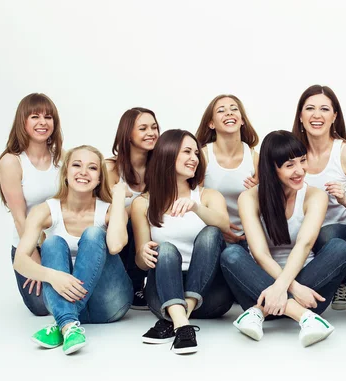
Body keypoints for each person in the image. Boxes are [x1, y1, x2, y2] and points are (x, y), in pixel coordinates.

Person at [220, 131, 346, 347]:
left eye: (302, 161)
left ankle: (258, 313)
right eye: (290, 165)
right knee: (231, 255)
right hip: (261, 287)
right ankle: (305, 318)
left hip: (307, 289)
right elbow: (260, 254)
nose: (300, 170)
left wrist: (287, 287)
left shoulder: (315, 195)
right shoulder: (249, 198)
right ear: (272, 167)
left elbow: (304, 245)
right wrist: (292, 289)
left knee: (339, 248)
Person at [13, 145, 133, 355]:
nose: (84, 172)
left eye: (92, 168)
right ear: (66, 172)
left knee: (94, 234)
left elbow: (115, 245)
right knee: (52, 243)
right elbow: (20, 261)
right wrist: (52, 276)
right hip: (64, 301)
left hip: (108, 304)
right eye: (76, 165)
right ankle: (69, 326)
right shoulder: (45, 210)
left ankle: (63, 322)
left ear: (99, 179)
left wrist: (119, 196)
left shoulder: (111, 210)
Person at [132, 129, 234, 354]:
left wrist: (196, 207)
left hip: (211, 295)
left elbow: (225, 227)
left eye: (196, 153)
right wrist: (143, 253)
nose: (194, 158)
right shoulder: (142, 203)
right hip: (164, 291)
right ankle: (183, 325)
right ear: (167, 155)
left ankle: (177, 318)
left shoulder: (208, 196)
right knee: (165, 249)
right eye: (187, 152)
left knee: (211, 233)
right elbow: (141, 263)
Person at [292, 84, 346, 310]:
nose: (317, 115)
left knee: (328, 233)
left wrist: (345, 199)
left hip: (342, 236)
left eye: (324, 109)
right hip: (306, 238)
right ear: (300, 115)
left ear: (334, 116)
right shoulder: (293, 153)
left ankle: (342, 280)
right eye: (310, 109)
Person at [0, 93, 63, 316]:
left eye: (48, 117)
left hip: (59, 244)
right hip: (28, 244)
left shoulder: (61, 159)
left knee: (70, 295)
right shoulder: (11, 161)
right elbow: (19, 217)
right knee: (43, 307)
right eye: (35, 116)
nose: (43, 122)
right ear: (22, 121)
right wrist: (34, 260)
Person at [106, 107, 160, 310]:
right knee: (131, 219)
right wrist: (135, 209)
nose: (151, 133)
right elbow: (105, 216)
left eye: (154, 127)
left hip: (149, 238)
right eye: (143, 128)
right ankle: (130, 284)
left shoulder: (161, 168)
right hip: (118, 241)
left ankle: (145, 283)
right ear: (128, 134)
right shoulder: (110, 168)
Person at [196, 94, 259, 246]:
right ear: (211, 123)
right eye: (221, 110)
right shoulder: (203, 156)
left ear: (242, 120)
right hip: (212, 234)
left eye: (234, 109)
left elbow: (265, 203)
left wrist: (258, 191)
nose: (229, 113)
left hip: (248, 234)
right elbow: (195, 200)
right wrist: (221, 228)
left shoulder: (255, 158)